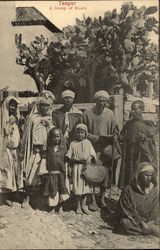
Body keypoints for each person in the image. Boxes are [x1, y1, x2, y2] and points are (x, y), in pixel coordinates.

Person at [21, 91, 55, 208]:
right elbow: (27, 136)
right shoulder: (33, 119)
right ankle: (27, 198)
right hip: (34, 151)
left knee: (44, 176)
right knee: (31, 175)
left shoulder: (49, 120)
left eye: (47, 105)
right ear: (39, 106)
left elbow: (53, 135)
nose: (45, 108)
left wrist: (48, 125)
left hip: (46, 152)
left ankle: (41, 200)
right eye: (42, 105)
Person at [83, 90, 117, 209]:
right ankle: (92, 199)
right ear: (95, 101)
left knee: (106, 174)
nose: (102, 103)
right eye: (100, 100)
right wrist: (95, 138)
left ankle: (102, 199)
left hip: (106, 149)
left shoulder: (110, 114)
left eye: (104, 101)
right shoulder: (87, 113)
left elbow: (114, 130)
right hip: (92, 147)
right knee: (92, 173)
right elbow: (82, 132)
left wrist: (113, 137)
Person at [118, 100, 158, 190]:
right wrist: (117, 136)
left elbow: (152, 142)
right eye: (132, 109)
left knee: (141, 177)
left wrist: (145, 139)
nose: (133, 111)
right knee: (128, 176)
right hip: (129, 157)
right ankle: (128, 196)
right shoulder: (128, 124)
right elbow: (122, 138)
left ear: (142, 110)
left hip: (141, 157)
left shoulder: (148, 125)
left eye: (135, 109)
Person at [52, 89, 83, 193]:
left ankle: (74, 193)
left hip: (74, 143)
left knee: (74, 168)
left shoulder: (78, 114)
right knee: (62, 166)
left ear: (73, 100)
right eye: (66, 98)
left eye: (70, 98)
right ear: (62, 99)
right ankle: (62, 192)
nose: (68, 100)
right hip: (61, 143)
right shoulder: (56, 113)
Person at [117, 162, 159, 237]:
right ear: (139, 175)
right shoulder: (129, 189)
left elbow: (156, 209)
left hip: (151, 221)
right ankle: (149, 230)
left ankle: (147, 229)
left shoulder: (155, 191)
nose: (148, 178)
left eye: (150, 175)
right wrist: (142, 222)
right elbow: (127, 209)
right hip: (135, 220)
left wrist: (150, 222)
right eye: (146, 175)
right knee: (124, 223)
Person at [65, 123, 97, 215]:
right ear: (76, 133)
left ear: (85, 134)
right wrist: (69, 165)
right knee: (78, 187)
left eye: (82, 133)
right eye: (78, 132)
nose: (80, 134)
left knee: (86, 188)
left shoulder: (88, 143)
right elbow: (69, 154)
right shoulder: (73, 143)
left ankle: (84, 205)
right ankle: (78, 206)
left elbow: (93, 154)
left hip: (86, 168)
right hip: (76, 168)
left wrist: (90, 157)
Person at [0, 96, 23, 205]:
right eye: (11, 105)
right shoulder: (3, 118)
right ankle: (5, 197)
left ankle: (13, 195)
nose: (13, 107)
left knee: (15, 172)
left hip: (15, 149)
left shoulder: (16, 118)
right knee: (6, 173)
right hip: (5, 149)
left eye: (15, 106)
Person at [43, 128, 69, 214]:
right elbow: (45, 161)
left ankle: (60, 207)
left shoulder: (63, 149)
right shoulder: (48, 149)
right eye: (54, 137)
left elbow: (66, 161)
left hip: (61, 174)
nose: (56, 139)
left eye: (58, 137)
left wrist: (67, 171)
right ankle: (53, 207)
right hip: (51, 174)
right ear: (50, 138)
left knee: (62, 190)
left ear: (60, 138)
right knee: (53, 190)